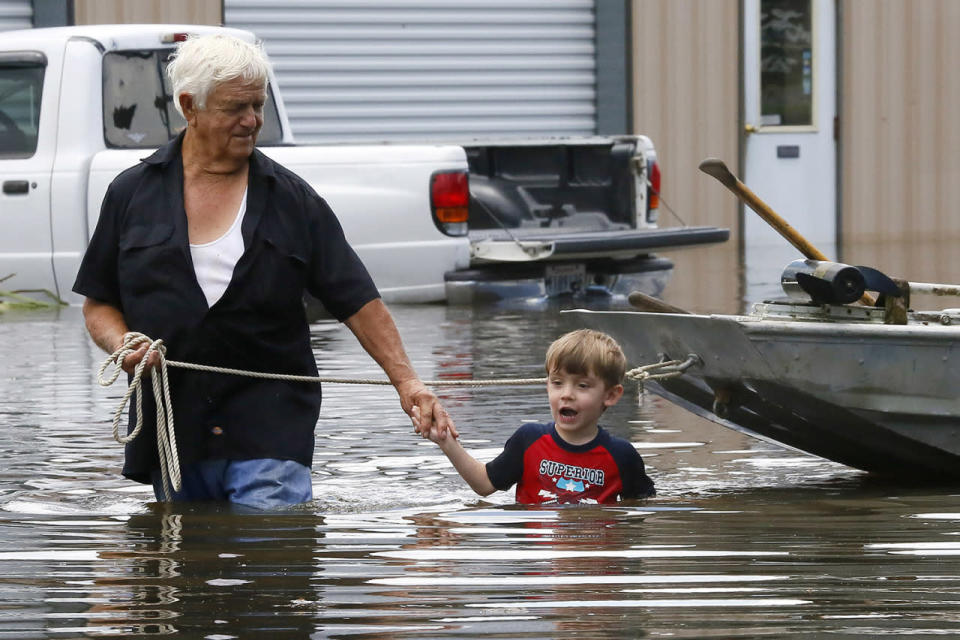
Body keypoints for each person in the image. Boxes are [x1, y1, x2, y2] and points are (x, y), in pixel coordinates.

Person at [73, 33, 453, 510]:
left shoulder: (294, 201)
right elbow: (98, 303)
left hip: (271, 423)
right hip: (174, 425)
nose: (252, 120)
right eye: (236, 108)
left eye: (258, 105)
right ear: (190, 106)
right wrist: (124, 346)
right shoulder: (131, 194)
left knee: (272, 555)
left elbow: (357, 300)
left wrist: (408, 382)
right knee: (187, 568)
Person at [420, 329, 655, 504]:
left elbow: (641, 507)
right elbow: (484, 484)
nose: (567, 395)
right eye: (558, 383)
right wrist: (445, 441)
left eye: (582, 386)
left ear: (611, 395)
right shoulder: (529, 439)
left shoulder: (622, 455)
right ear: (547, 386)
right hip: (536, 565)